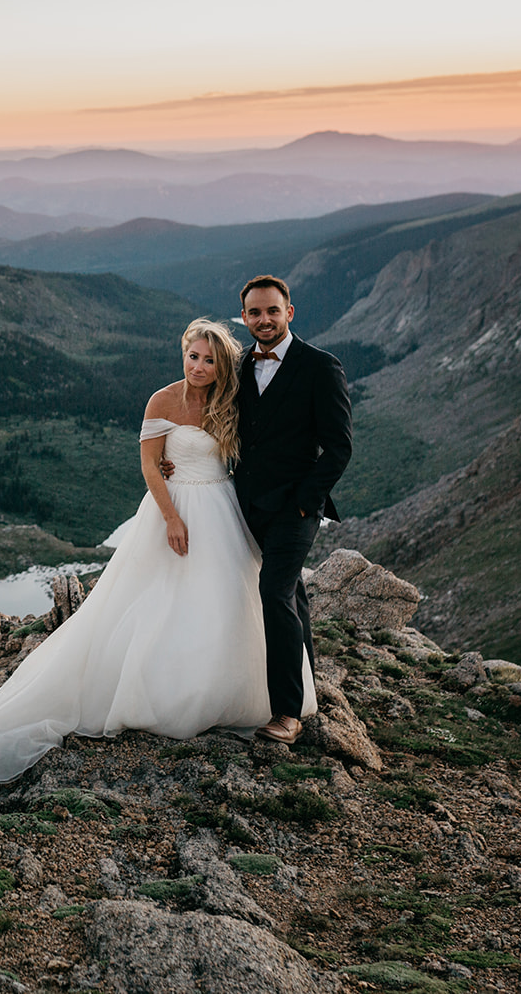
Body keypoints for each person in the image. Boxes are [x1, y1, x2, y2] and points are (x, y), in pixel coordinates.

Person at [0, 318, 314, 789]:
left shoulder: (231, 399)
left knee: (225, 602)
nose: (199, 366)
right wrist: (171, 518)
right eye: (192, 356)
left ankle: (234, 693)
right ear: (182, 354)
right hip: (175, 507)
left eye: (209, 359)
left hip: (224, 508)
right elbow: (149, 463)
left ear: (221, 363)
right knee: (153, 604)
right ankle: (161, 694)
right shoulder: (161, 400)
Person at [232, 276, 352, 744]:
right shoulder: (240, 364)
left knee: (274, 591)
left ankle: (287, 712)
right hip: (244, 506)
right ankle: (307, 689)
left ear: (290, 312)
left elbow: (339, 447)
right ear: (244, 318)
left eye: (272, 311)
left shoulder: (320, 366)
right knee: (293, 595)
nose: (264, 320)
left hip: (296, 508)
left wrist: (306, 503)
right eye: (254, 313)